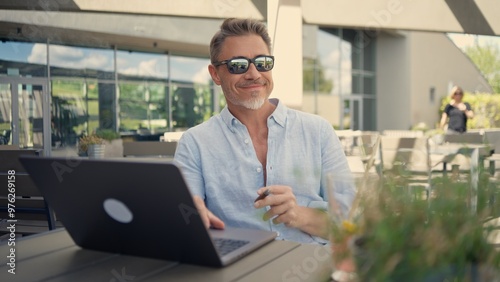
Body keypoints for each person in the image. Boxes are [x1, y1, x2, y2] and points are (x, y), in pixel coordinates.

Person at [173, 18, 355, 244]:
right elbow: (184, 217)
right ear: (216, 74)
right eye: (238, 65)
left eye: (262, 62)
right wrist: (188, 216)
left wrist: (299, 214)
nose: (253, 74)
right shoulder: (195, 143)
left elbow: (351, 224)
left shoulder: (318, 132)